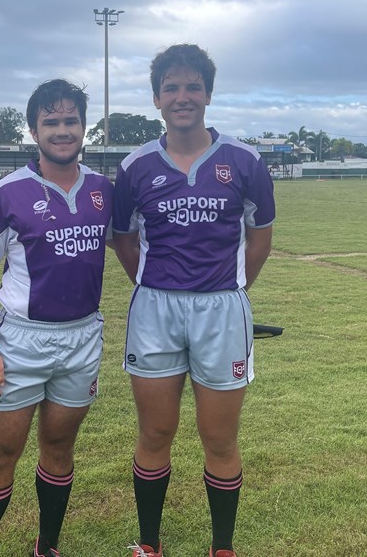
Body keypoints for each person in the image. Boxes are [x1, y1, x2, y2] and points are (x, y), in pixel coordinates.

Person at [112, 44, 275, 557]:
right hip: (155, 309)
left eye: (192, 86)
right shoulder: (135, 166)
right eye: (172, 88)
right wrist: (152, 280)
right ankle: (149, 543)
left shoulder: (245, 160)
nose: (183, 97)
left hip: (222, 309)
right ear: (157, 98)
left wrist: (230, 287)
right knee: (155, 432)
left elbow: (260, 236)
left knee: (219, 438)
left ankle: (221, 547)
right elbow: (125, 239)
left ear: (208, 93)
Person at [0, 79, 113, 557]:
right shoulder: (7, 193)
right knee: (0, 453)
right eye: (52, 122)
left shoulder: (105, 190)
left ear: (85, 128)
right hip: (21, 343)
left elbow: (138, 245)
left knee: (60, 449)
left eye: (71, 121)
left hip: (82, 338)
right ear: (34, 130)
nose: (63, 130)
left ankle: (46, 547)